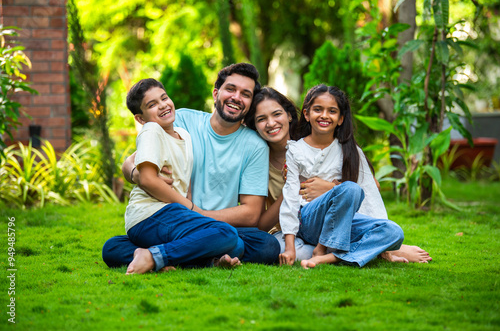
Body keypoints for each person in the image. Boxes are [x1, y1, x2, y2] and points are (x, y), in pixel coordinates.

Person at [102, 63, 280, 268]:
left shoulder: (255, 145)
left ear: (249, 103)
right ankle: (197, 256)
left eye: (245, 94)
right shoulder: (183, 121)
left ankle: (164, 255)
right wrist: (136, 174)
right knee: (112, 247)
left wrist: (200, 215)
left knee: (266, 245)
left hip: (213, 224)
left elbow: (250, 214)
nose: (236, 97)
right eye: (230, 89)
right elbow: (132, 162)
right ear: (215, 93)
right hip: (174, 219)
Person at [244, 87, 432, 264]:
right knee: (296, 251)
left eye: (276, 114)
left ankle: (356, 250)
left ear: (290, 115)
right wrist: (291, 190)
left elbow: (368, 188)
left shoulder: (325, 143)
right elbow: (263, 221)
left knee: (391, 231)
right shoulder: (259, 159)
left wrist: (331, 189)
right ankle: (362, 249)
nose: (271, 123)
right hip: (294, 228)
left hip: (335, 221)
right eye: (261, 119)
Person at [121, 78, 243, 274]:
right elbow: (147, 179)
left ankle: (150, 256)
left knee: (112, 247)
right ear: (140, 118)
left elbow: (185, 181)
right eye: (152, 105)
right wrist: (192, 209)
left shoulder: (184, 135)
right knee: (226, 233)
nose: (163, 106)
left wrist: (189, 209)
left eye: (164, 98)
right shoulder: (151, 131)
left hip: (167, 217)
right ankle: (156, 257)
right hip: (150, 214)